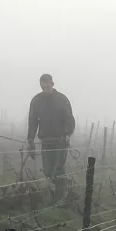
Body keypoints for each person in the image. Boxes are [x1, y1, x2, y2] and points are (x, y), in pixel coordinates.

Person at [27, 73, 75, 202]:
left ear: (52, 84)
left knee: (58, 170)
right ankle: (61, 190)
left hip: (60, 141)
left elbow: (69, 119)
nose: (45, 89)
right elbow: (32, 121)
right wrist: (30, 139)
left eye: (47, 86)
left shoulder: (62, 99)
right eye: (43, 87)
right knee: (48, 171)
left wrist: (66, 134)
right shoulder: (36, 101)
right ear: (40, 86)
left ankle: (60, 199)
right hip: (46, 141)